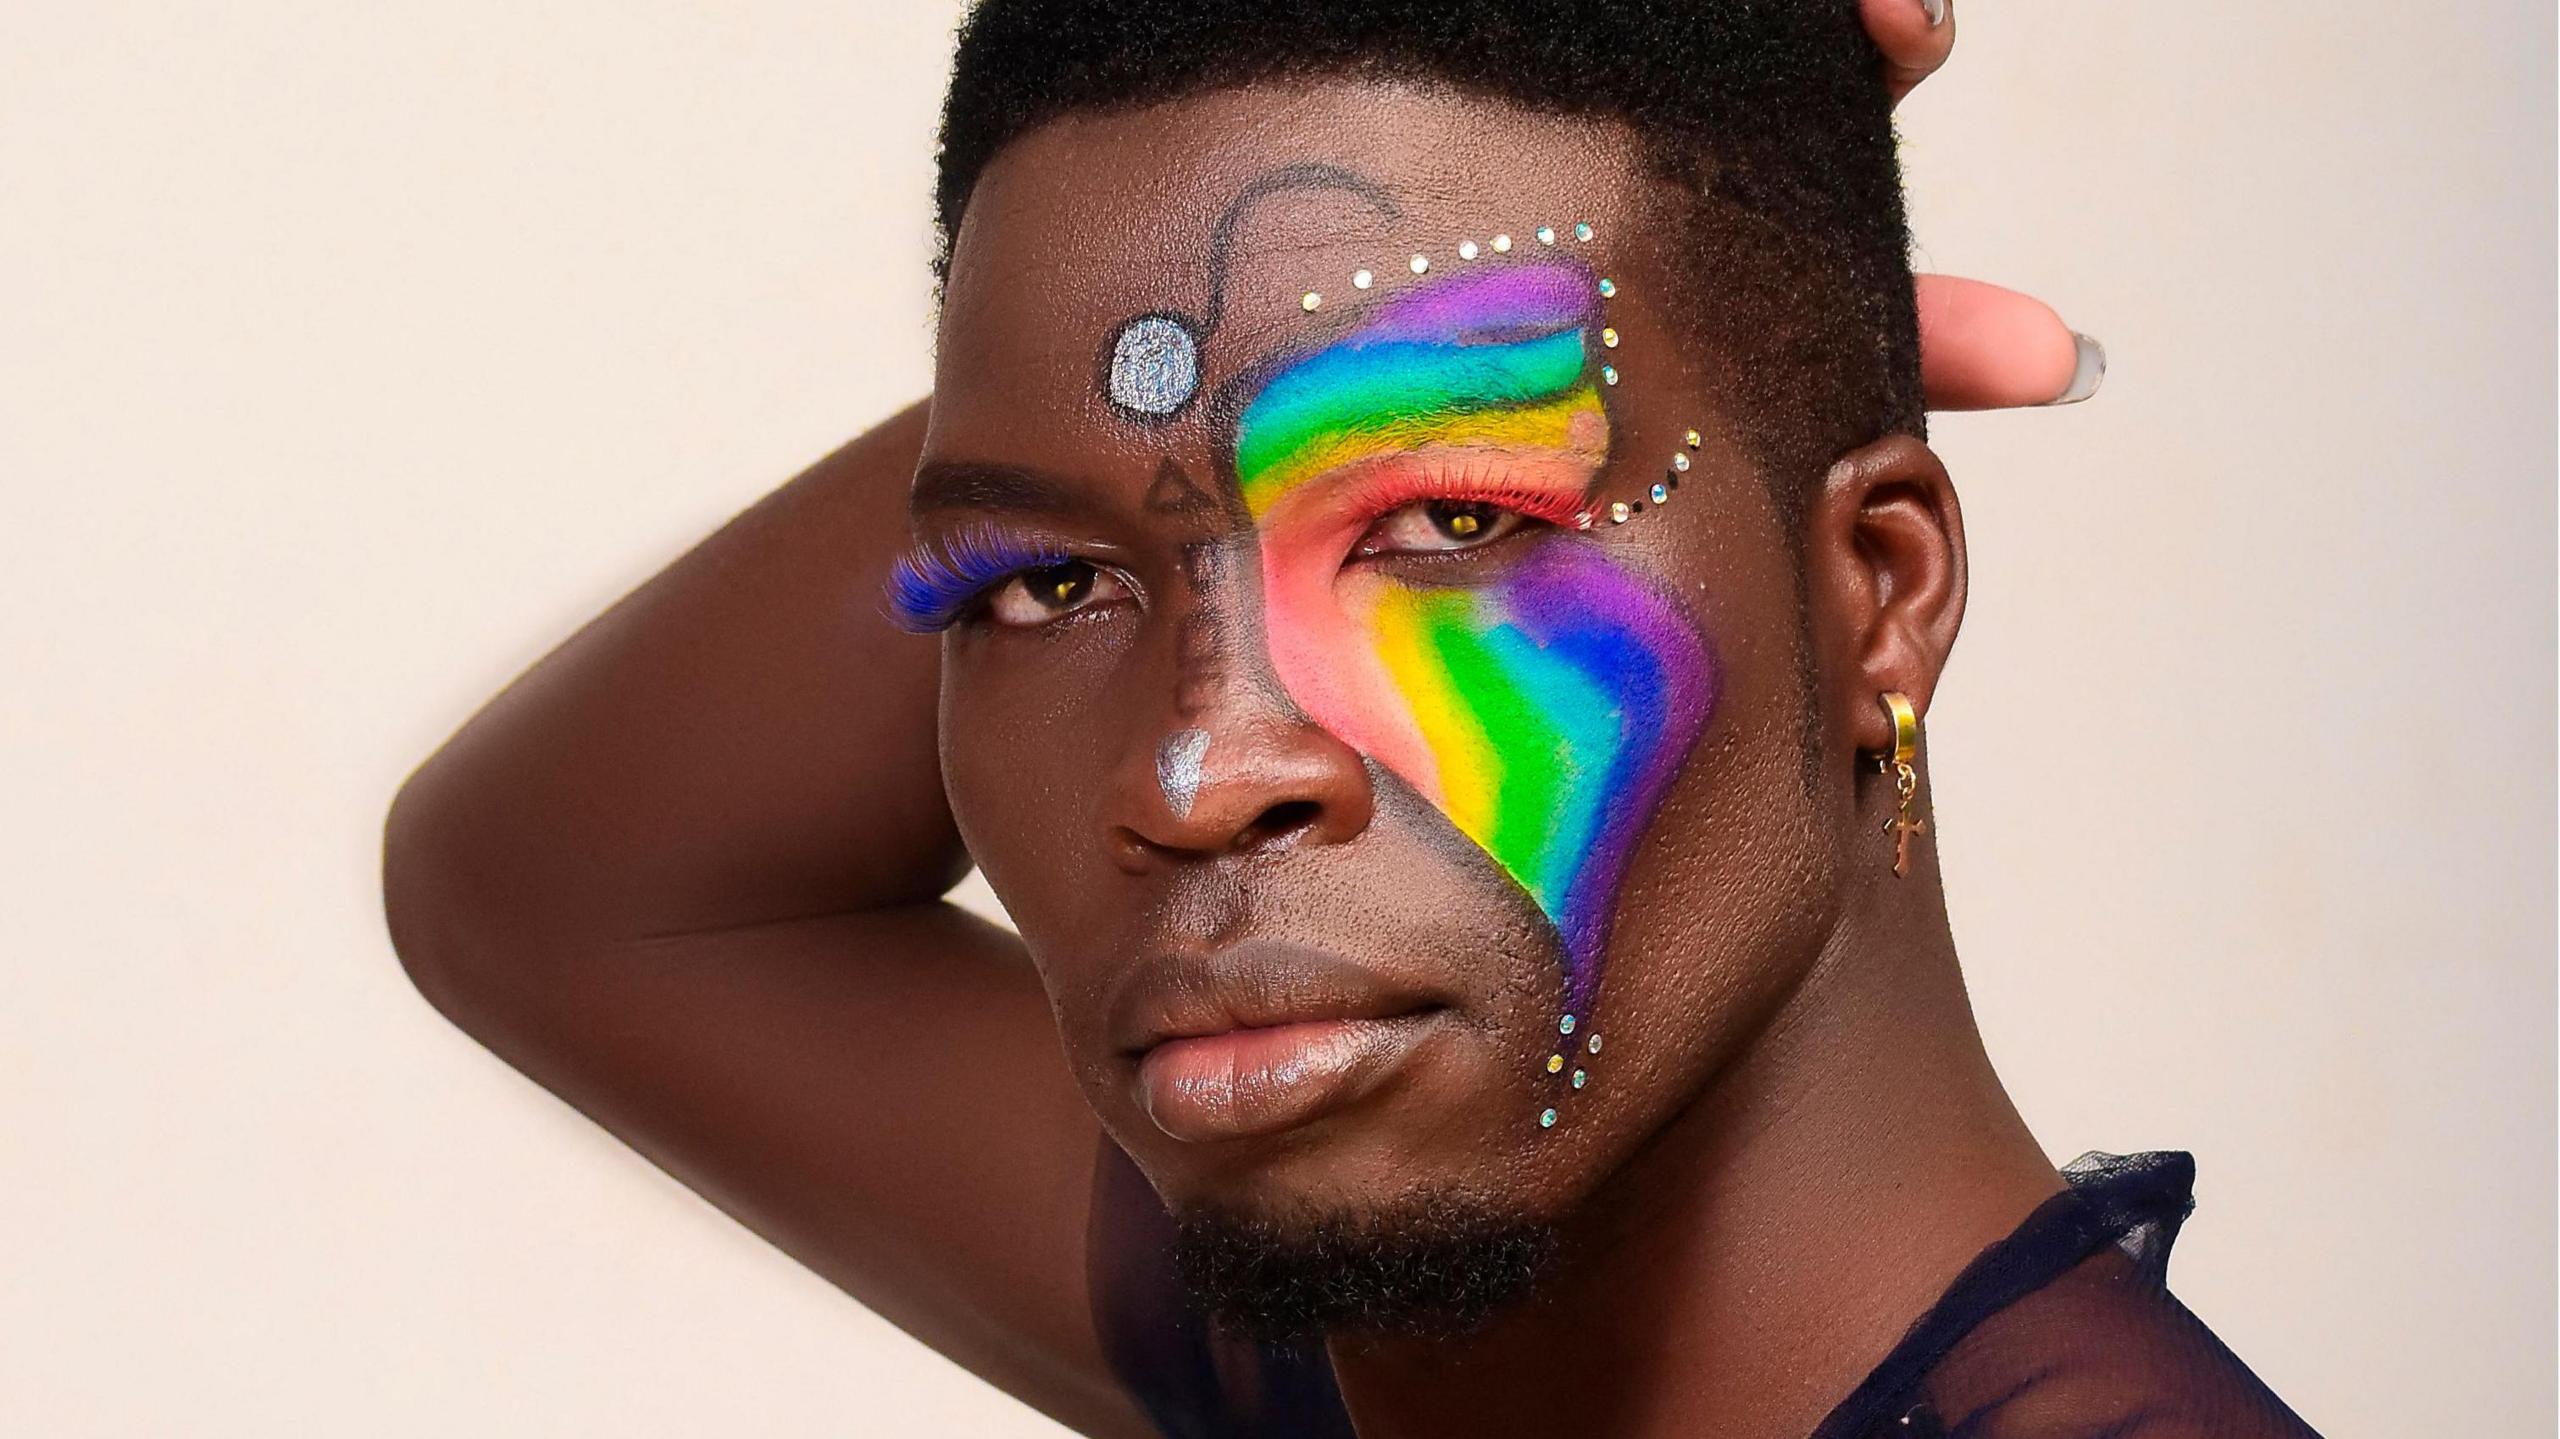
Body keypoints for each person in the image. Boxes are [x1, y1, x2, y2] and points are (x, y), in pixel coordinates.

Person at [381, 3, 2320, 1435]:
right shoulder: (1387, 1367)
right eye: (1040, 588)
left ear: (1878, 591)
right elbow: (568, 889)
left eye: (1445, 520)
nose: (1195, 766)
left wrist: (1733, 266)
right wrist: (1711, 283)